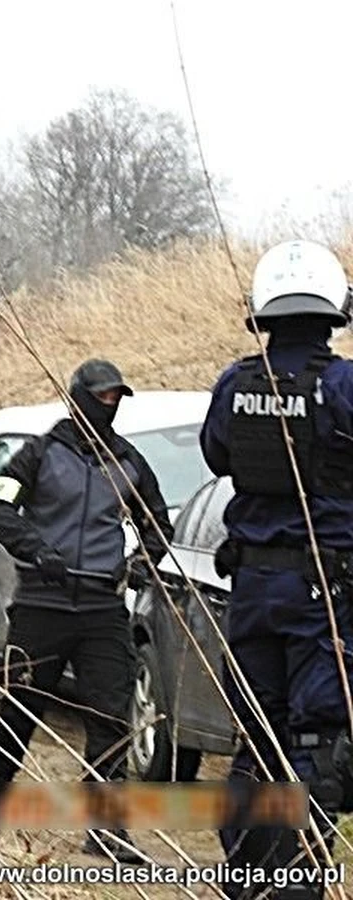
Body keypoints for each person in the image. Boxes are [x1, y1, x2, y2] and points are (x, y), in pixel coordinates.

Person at [200, 241, 353, 898]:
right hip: (322, 590)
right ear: (334, 309)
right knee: (314, 736)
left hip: (254, 590)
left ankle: (245, 876)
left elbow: (215, 455)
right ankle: (295, 884)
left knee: (257, 738)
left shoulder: (237, 382)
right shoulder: (344, 385)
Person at [0, 359, 171, 863]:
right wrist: (37, 551)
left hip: (102, 608)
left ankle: (106, 830)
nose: (110, 406)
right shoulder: (36, 454)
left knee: (110, 716)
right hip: (42, 603)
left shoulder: (128, 462)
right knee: (20, 711)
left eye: (116, 399)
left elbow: (159, 526)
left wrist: (138, 565)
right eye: (102, 397)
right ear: (80, 397)